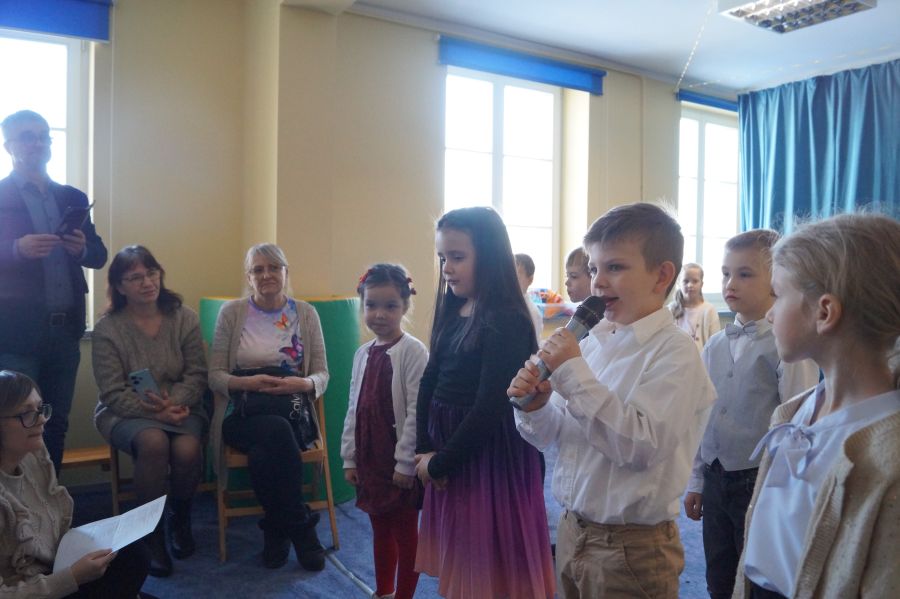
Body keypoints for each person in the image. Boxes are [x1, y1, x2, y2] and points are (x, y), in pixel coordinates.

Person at [509, 202, 716, 599]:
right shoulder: (592, 342)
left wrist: (571, 372)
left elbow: (640, 446)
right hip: (572, 529)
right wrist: (537, 407)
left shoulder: (675, 352)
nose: (598, 282)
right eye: (593, 268)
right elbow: (560, 435)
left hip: (631, 549)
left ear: (662, 275)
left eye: (615, 267)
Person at [733, 214, 900, 598]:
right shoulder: (793, 413)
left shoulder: (889, 456)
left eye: (778, 295)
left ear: (824, 313)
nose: (770, 312)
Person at [414, 207, 554, 599]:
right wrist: (424, 446)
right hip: (449, 451)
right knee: (462, 556)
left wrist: (440, 463)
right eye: (443, 257)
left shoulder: (506, 318)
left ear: (489, 256)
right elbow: (430, 378)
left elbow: (491, 406)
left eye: (457, 257)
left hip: (487, 455)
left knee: (491, 565)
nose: (447, 268)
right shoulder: (452, 307)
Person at [682, 231, 820, 599]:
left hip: (759, 479)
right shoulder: (715, 345)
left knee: (758, 575)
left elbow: (799, 423)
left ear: (776, 281)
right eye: (726, 274)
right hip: (716, 475)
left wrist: (789, 495)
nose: (730, 284)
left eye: (745, 274)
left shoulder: (788, 345)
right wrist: (696, 479)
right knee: (719, 572)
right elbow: (702, 416)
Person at [208, 243, 329, 571]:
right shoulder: (231, 313)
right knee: (275, 432)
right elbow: (214, 375)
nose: (266, 275)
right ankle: (302, 529)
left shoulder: (306, 313)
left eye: (274, 268)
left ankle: (275, 530)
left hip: (291, 409)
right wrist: (248, 382)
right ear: (248, 277)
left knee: (265, 451)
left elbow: (322, 374)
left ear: (286, 272)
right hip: (242, 412)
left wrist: (301, 384)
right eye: (258, 270)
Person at [0, 110, 108, 473]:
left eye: (43, 136)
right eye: (27, 136)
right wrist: (16, 249)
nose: (37, 143)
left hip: (65, 333)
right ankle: (17, 503)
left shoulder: (71, 196)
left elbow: (99, 255)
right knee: (14, 427)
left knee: (55, 422)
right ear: (8, 145)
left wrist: (81, 248)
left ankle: (51, 499)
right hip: (16, 335)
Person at [91, 245, 208, 577]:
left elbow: (197, 374)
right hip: (124, 412)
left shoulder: (184, 317)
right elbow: (112, 391)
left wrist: (173, 403)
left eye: (152, 273)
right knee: (154, 442)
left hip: (182, 406)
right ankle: (149, 536)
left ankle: (179, 519)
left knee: (187, 449)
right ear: (120, 286)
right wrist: (156, 414)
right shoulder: (108, 328)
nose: (147, 282)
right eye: (135, 277)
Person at [0, 370, 155, 598]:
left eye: (40, 409)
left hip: (51, 567)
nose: (41, 419)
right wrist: (72, 577)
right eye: (27, 413)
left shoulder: (34, 454)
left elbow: (57, 520)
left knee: (133, 554)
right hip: (29, 589)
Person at [341, 264, 427, 599]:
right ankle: (384, 591)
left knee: (405, 533)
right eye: (371, 305)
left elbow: (417, 411)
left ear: (405, 306)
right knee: (379, 528)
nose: (379, 314)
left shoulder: (413, 351)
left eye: (390, 305)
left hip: (398, 463)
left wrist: (406, 464)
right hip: (370, 460)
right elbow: (354, 409)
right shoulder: (362, 354)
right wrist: (350, 458)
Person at [668, 262, 720, 352]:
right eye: (686, 281)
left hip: (701, 360)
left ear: (701, 284)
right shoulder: (670, 310)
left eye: (695, 281)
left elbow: (716, 344)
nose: (690, 285)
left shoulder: (709, 310)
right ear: (679, 283)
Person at [514, 253, 544, 342]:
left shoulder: (531, 312)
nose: (511, 282)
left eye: (517, 278)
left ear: (530, 280)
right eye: (509, 276)